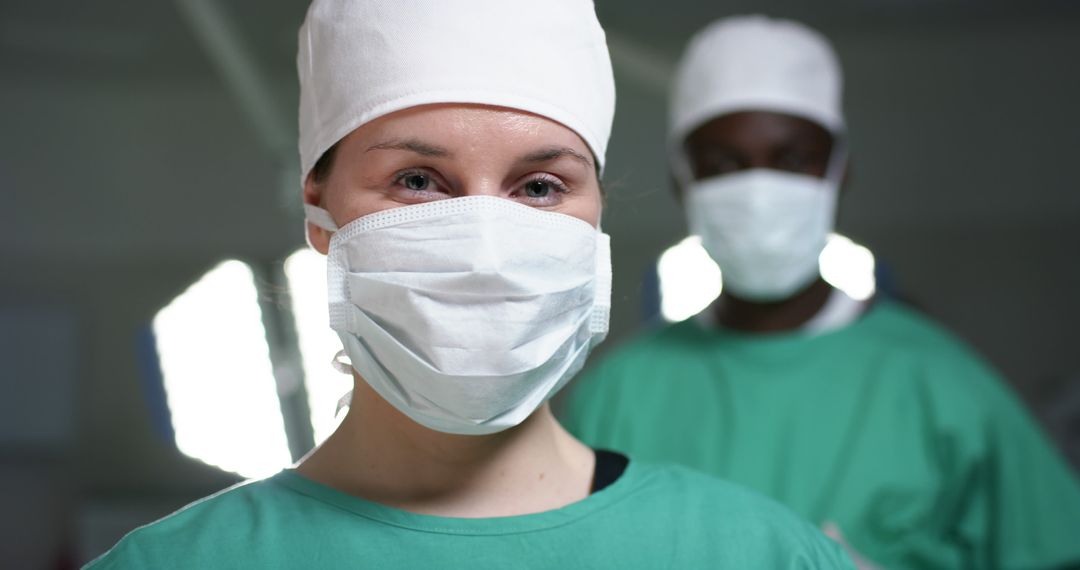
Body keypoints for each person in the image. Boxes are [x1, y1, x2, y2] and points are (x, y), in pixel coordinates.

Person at [84, 3, 855, 568]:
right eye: (419, 180)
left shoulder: (754, 553)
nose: (487, 248)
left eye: (541, 187)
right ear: (320, 216)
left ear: (596, 222)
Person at [561, 15, 1080, 570]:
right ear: (680, 178)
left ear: (840, 169)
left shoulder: (942, 386)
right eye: (723, 164)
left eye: (791, 160)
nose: (759, 189)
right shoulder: (617, 395)